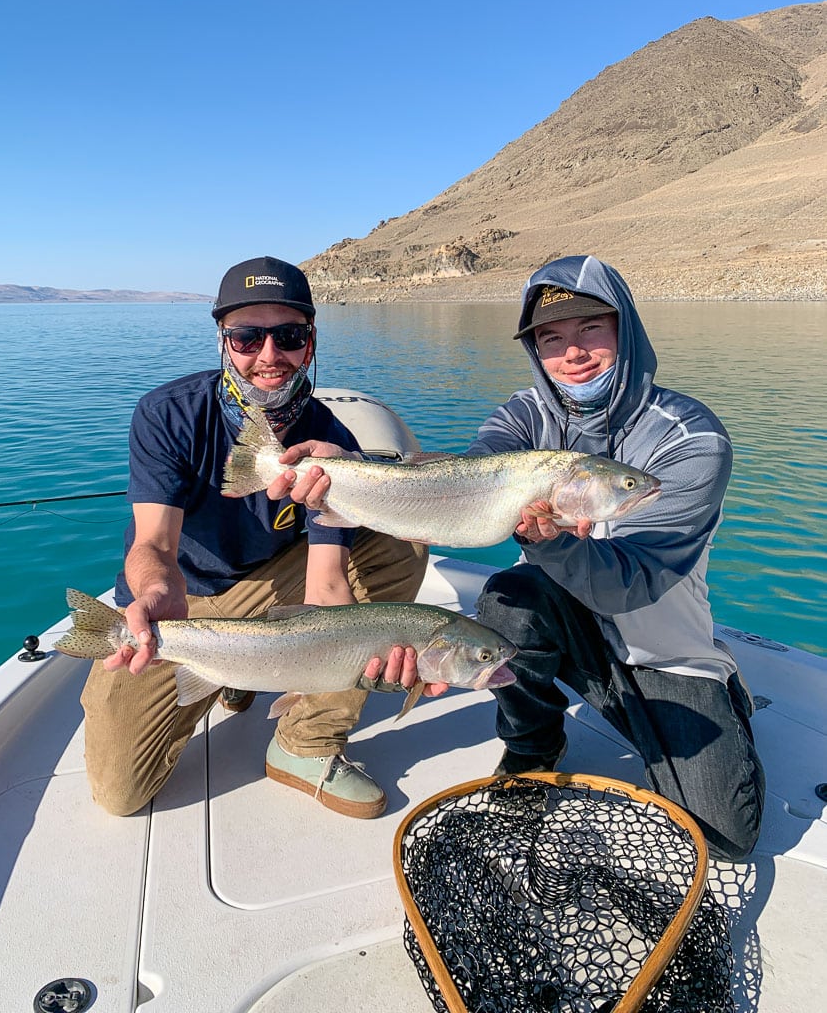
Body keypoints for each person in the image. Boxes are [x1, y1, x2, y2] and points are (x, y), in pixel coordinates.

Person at [80, 255, 437, 820]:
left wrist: (363, 659)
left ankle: (304, 744)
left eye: (287, 335)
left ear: (310, 342)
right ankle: (237, 674)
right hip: (180, 601)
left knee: (400, 541)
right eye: (247, 337)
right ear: (223, 340)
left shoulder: (330, 439)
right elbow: (154, 543)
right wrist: (154, 592)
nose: (269, 356)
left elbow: (325, 584)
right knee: (119, 794)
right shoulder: (167, 415)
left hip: (272, 587)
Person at [468, 255, 765, 861]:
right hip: (571, 623)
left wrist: (548, 539)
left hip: (664, 649)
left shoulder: (690, 439)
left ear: (626, 328)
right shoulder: (523, 417)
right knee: (505, 600)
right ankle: (535, 740)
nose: (571, 352)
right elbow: (475, 469)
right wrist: (338, 477)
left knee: (726, 836)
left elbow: (629, 585)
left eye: (590, 330)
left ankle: (724, 687)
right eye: (551, 338)